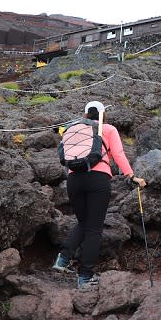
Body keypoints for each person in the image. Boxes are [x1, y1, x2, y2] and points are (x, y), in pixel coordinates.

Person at [53, 100, 147, 288]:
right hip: (98, 180)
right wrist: (132, 176)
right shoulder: (109, 129)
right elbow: (119, 154)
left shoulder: (73, 128)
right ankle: (85, 277)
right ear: (103, 114)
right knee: (94, 228)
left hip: (73, 180)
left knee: (84, 222)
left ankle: (62, 259)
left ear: (86, 114)